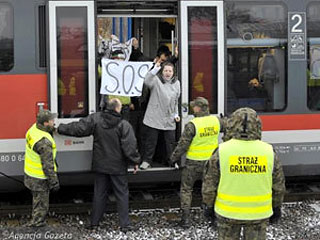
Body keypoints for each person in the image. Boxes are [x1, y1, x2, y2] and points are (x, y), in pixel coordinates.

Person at [202, 107, 286, 240]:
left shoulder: (221, 151)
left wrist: (209, 206)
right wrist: (276, 207)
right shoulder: (269, 152)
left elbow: (209, 185)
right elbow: (278, 186)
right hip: (259, 214)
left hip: (227, 213)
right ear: (258, 126)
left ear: (231, 125)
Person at [57, 98, 140, 232]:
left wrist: (60, 128)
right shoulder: (124, 125)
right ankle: (125, 224)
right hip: (117, 167)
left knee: (99, 193)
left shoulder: (96, 119)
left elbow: (79, 128)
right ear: (118, 109)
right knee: (122, 194)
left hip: (100, 165)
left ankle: (94, 223)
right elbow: (129, 147)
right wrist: (135, 161)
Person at [170, 97, 223, 228]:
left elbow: (183, 145)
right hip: (211, 163)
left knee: (186, 189)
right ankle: (213, 219)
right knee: (211, 189)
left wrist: (173, 158)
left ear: (198, 108)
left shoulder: (192, 125)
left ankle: (186, 220)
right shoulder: (216, 121)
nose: (192, 108)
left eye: (194, 106)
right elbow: (228, 130)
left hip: (193, 163)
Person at [139, 60, 181, 170]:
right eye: (166, 70)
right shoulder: (156, 80)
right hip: (155, 115)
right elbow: (146, 81)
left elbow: (176, 101)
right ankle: (146, 161)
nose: (168, 73)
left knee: (170, 142)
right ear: (162, 72)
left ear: (173, 72)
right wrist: (155, 69)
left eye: (170, 71)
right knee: (151, 141)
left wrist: (176, 114)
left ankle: (172, 161)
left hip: (169, 116)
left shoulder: (177, 83)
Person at [24, 109, 59, 227]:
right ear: (45, 123)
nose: (54, 122)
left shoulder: (34, 129)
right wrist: (54, 182)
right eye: (51, 121)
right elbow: (48, 165)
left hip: (30, 174)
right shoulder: (44, 142)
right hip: (39, 178)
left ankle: (36, 221)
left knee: (36, 199)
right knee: (41, 204)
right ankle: (37, 226)